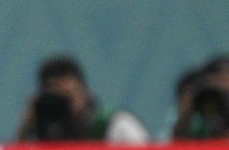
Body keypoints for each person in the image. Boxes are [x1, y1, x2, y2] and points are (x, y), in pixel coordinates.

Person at [16, 55, 148, 144]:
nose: (62, 104)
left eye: (67, 97)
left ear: (84, 93)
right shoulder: (39, 136)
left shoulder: (114, 126)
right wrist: (26, 128)